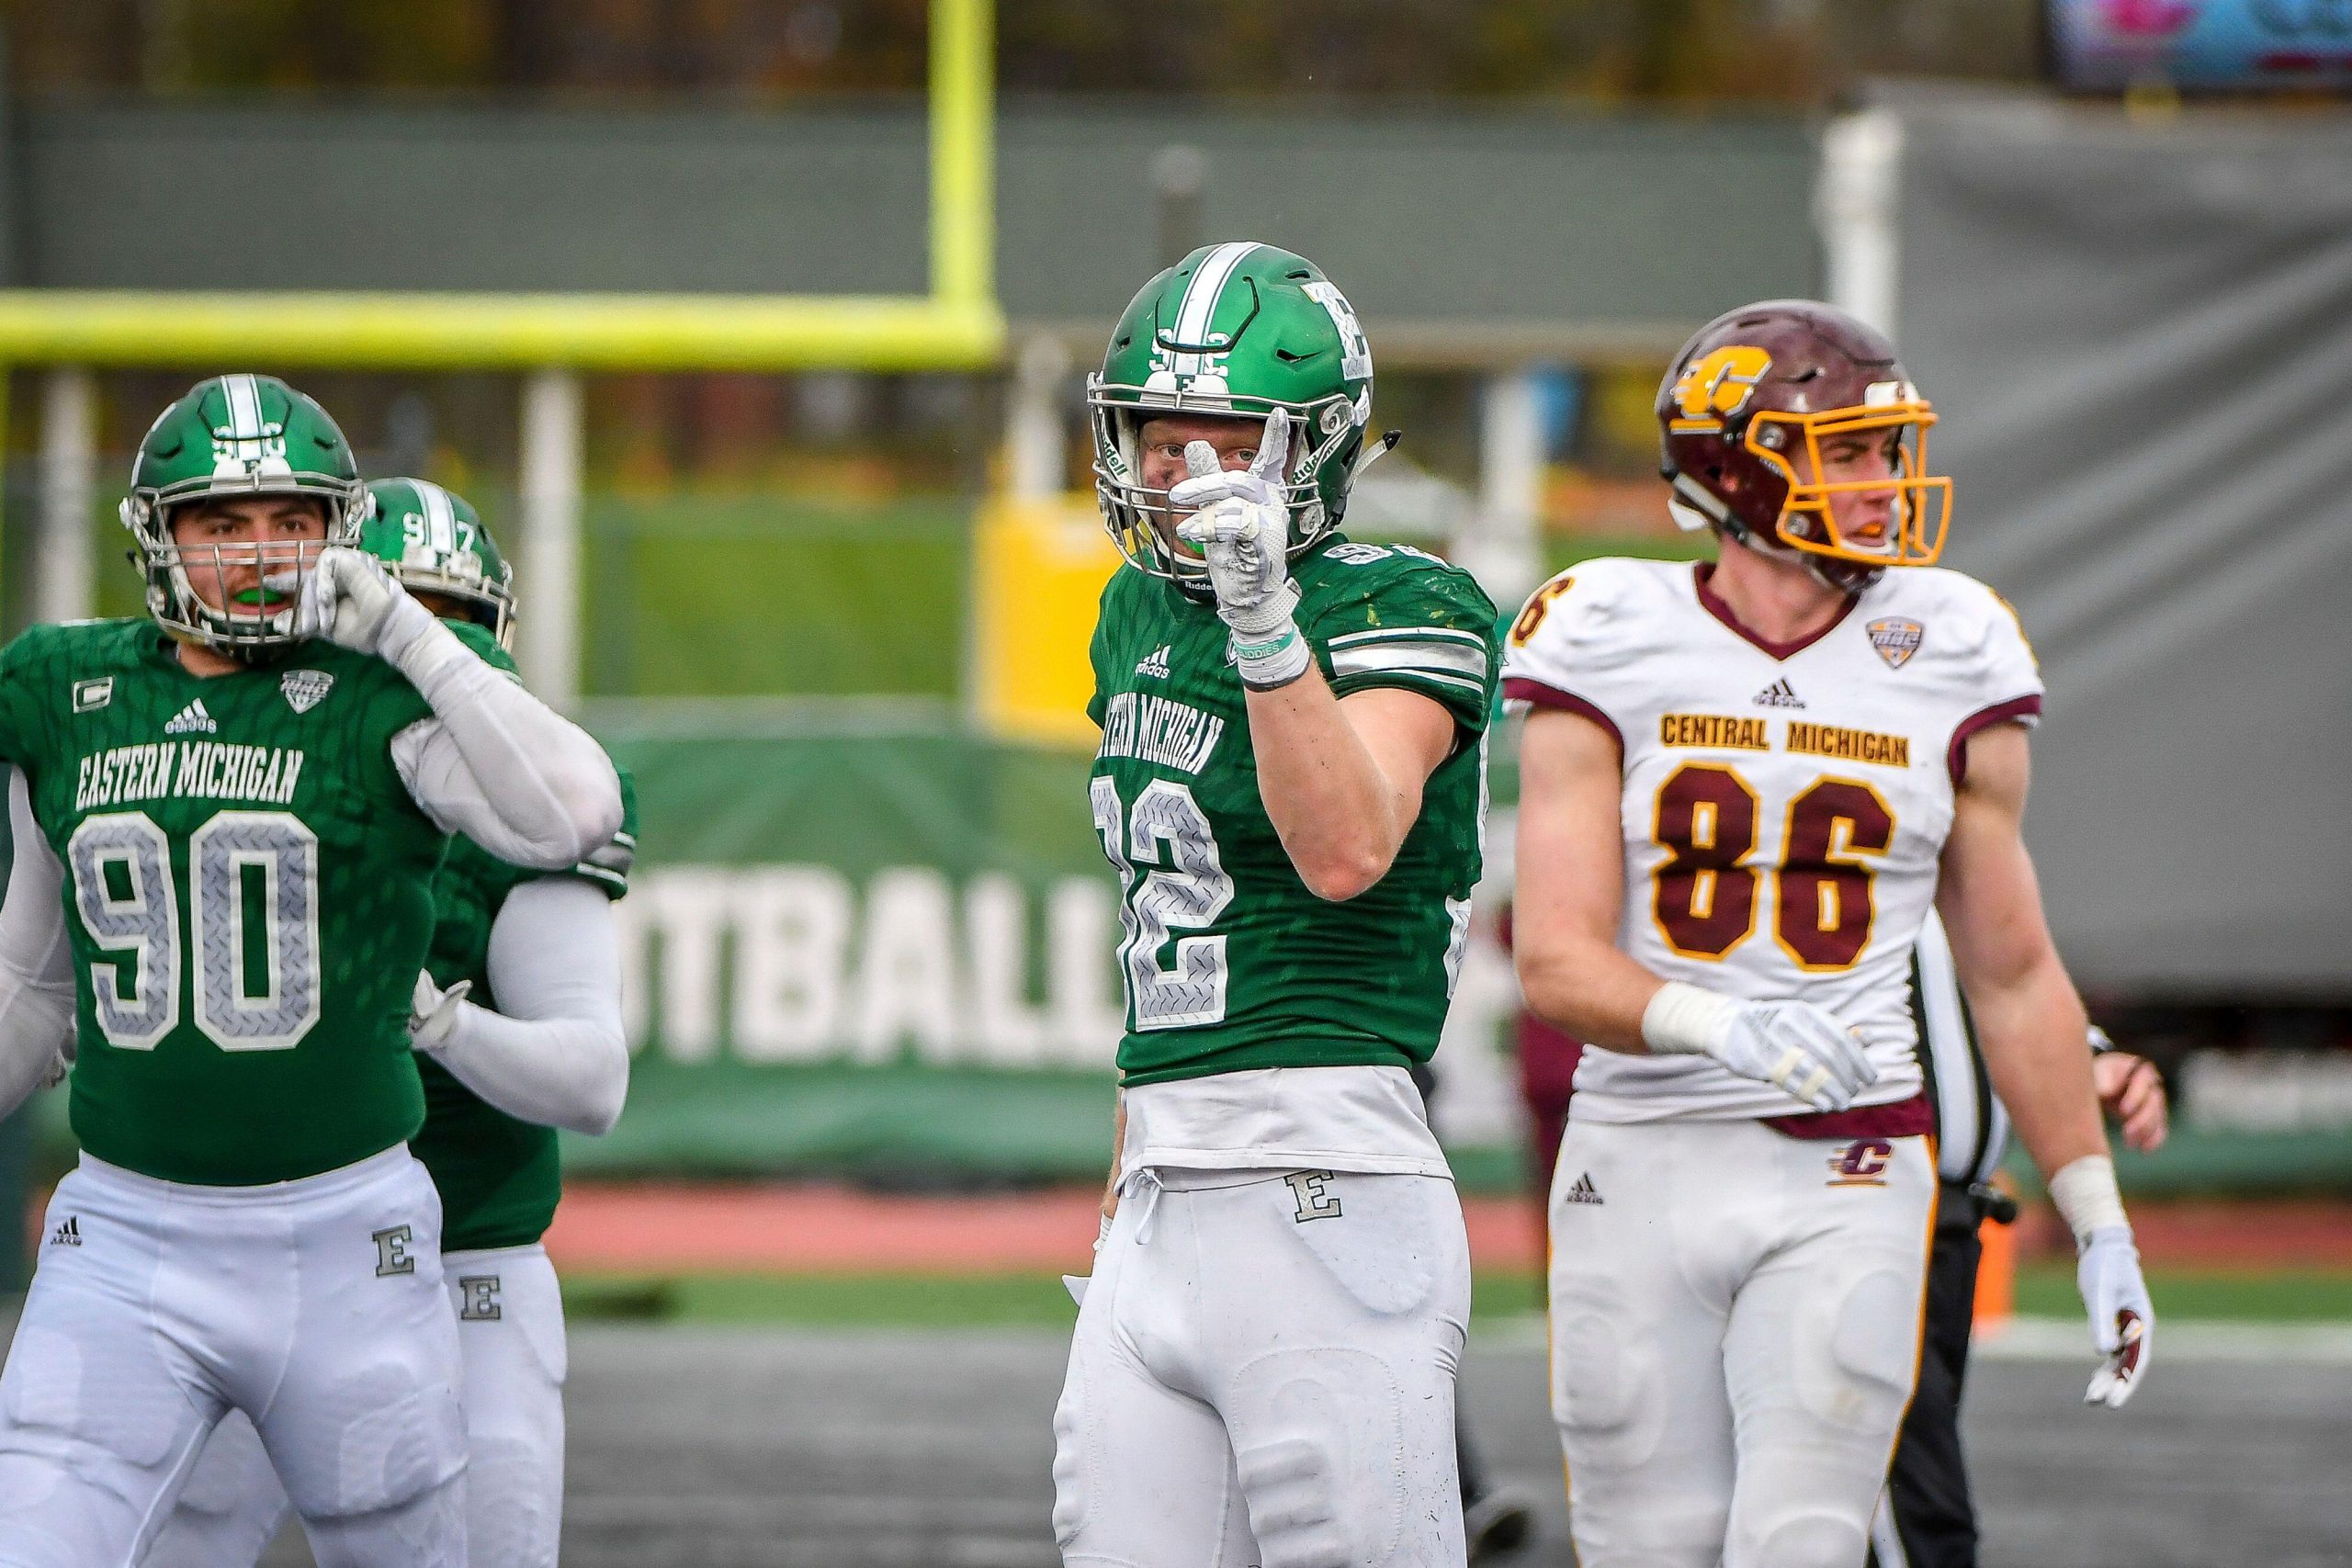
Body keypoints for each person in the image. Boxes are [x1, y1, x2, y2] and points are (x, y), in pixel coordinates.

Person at [1503, 301, 2154, 1568]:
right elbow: (1555, 958)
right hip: (1639, 1154)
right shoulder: (1607, 626)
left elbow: (2013, 971)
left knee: (1804, 1539)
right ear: (1737, 465)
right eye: (1848, 451)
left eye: (1888, 449)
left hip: (1848, 1158)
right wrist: (1724, 1022)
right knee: (1647, 1544)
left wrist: (2099, 1210)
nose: (1885, 483)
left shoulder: (1949, 640)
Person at [0, 376, 622, 1568]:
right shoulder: (66, 691)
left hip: (348, 1241)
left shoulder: (373, 691)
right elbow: (29, 993)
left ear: (336, 529)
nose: (257, 553)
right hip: (125, 1235)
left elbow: (574, 810)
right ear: (156, 530)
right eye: (220, 522)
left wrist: (402, 627)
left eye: (287, 519)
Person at [1053, 241, 1498, 1566]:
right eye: (1156, 435)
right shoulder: (1130, 610)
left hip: (1330, 1184)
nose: (1181, 475)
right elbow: (1169, 926)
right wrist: (1128, 1163)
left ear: (1318, 446)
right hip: (1163, 1195)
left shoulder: (1404, 601)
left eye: (1223, 438)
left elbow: (1348, 846)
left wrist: (1266, 624)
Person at [139, 478, 638, 1568]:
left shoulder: (534, 795)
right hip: (239, 1252)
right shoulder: (226, 754)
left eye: (454, 620)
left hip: (468, 1261)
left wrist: (436, 1023)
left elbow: (594, 1082)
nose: (430, 650)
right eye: (401, 609)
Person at [1869, 914, 2169, 1568]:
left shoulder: (1949, 849)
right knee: (1906, 1502)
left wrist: (2084, 1055)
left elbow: (2005, 984)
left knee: (1905, 1481)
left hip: (1945, 1218)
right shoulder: (1836, 842)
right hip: (1860, 1207)